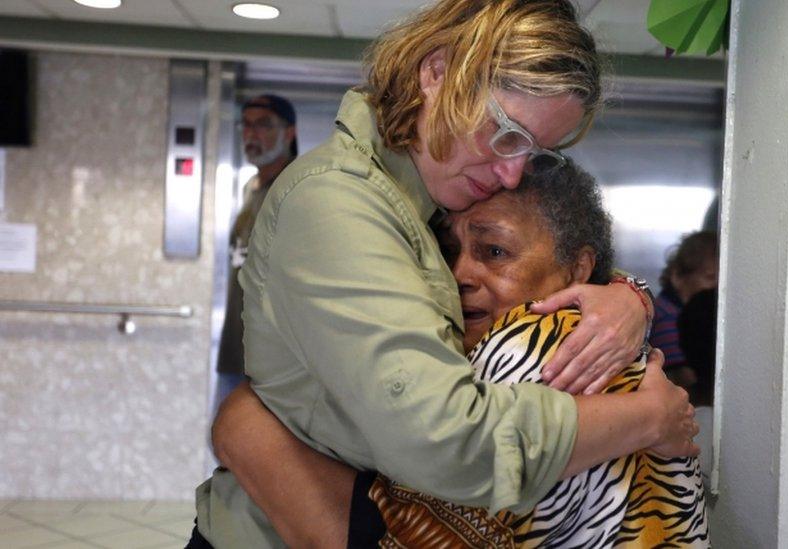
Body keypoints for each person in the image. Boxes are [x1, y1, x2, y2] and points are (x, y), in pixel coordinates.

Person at [191, 1, 698, 547]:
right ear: (437, 73)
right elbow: (449, 443)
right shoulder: (338, 203)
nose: (511, 171)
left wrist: (627, 293)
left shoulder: (430, 196)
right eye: (506, 133)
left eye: (533, 151)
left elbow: (554, 257)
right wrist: (647, 417)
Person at [211, 160, 710, 547]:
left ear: (579, 268)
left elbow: (411, 537)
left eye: (495, 252)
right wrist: (631, 293)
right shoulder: (592, 332)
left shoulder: (541, 352)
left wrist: (250, 431)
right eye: (449, 252)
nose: (460, 275)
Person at [214, 94, 298, 410]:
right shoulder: (253, 189)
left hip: (270, 364)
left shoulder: (295, 189)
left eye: (264, 125)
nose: (252, 134)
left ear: (289, 133)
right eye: (246, 125)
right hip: (236, 352)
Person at [648, 230, 719, 388]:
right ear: (678, 276)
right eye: (709, 277)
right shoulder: (666, 316)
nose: (717, 287)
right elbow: (681, 376)